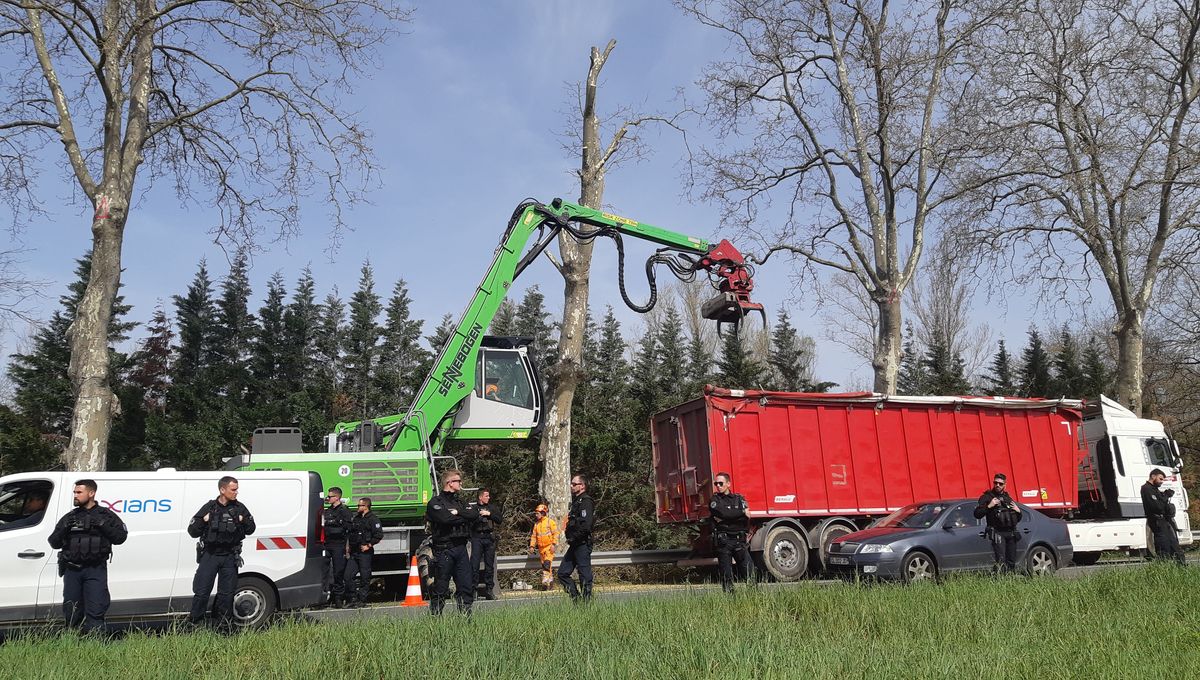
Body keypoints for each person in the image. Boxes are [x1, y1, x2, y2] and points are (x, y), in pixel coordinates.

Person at [47, 479, 128, 634]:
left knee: (96, 609)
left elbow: (120, 538)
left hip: (95, 570)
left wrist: (102, 524)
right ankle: (72, 645)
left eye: (79, 492)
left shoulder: (106, 515)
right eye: (74, 492)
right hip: (72, 570)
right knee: (72, 611)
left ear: (91, 493)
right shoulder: (70, 517)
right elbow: (53, 542)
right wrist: (64, 528)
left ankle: (95, 644)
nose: (75, 495)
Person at [187, 475, 255, 629]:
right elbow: (192, 531)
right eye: (233, 489)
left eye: (237, 489)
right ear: (222, 490)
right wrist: (204, 520)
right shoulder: (210, 507)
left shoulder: (239, 508)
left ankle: (224, 627)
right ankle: (195, 625)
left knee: (227, 594)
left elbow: (251, 529)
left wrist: (243, 520)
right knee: (202, 591)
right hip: (210, 555)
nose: (236, 492)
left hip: (230, 556)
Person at [425, 469, 481, 615]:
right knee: (441, 587)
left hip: (461, 549)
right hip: (444, 550)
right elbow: (445, 519)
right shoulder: (435, 502)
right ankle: (436, 617)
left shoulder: (460, 502)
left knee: (465, 586)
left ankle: (465, 617)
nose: (461, 483)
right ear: (449, 483)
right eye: (458, 481)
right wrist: (463, 516)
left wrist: (459, 513)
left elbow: (474, 514)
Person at [709, 472, 751, 593]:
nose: (718, 486)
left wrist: (729, 517)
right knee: (726, 574)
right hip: (724, 541)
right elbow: (722, 513)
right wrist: (741, 513)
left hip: (739, 541)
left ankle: (754, 597)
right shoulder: (714, 500)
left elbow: (747, 517)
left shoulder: (739, 498)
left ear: (728, 484)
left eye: (721, 483)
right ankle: (730, 600)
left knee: (749, 572)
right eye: (716, 483)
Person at [973, 472, 1022, 574]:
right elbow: (977, 514)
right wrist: (989, 506)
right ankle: (1000, 581)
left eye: (1000, 484)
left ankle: (1011, 581)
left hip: (1011, 532)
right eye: (995, 483)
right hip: (997, 532)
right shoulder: (987, 497)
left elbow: (1016, 518)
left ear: (1005, 485)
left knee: (1011, 560)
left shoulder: (1007, 497)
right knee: (1000, 560)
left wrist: (1019, 512)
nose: (997, 485)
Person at [559, 473, 595, 602]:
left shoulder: (586, 502)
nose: (571, 486)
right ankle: (576, 599)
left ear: (582, 486)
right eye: (571, 483)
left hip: (582, 544)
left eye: (574, 484)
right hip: (574, 544)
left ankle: (587, 603)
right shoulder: (576, 502)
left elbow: (586, 525)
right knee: (562, 573)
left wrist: (574, 537)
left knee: (584, 575)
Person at [343, 497, 383, 608]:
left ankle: (362, 599)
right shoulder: (357, 519)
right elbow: (351, 533)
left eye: (359, 505)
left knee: (365, 577)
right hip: (355, 552)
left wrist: (369, 545)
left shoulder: (373, 519)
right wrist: (348, 547)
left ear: (366, 506)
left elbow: (379, 535)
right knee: (347, 576)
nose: (357, 507)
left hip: (365, 553)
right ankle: (352, 598)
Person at [1141, 468, 1186, 565]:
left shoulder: (1154, 489)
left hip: (1164, 520)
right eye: (1160, 479)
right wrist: (1165, 496)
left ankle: (1182, 565)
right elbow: (1157, 507)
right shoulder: (1146, 489)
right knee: (1163, 545)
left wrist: (1165, 495)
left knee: (1174, 544)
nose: (1162, 482)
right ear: (1153, 476)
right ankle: (1163, 566)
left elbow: (1161, 502)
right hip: (1157, 520)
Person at [321, 487, 355, 607]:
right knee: (323, 571)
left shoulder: (344, 511)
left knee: (338, 572)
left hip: (339, 545)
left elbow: (349, 528)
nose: (328, 498)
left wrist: (337, 523)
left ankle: (338, 598)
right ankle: (324, 597)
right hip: (327, 544)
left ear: (337, 497)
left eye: (330, 497)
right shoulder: (328, 511)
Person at [469, 488, 503, 600]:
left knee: (489, 565)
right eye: (486, 496)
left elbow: (499, 519)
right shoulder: (474, 508)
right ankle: (473, 590)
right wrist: (478, 516)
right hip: (477, 538)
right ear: (480, 497)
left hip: (489, 538)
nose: (488, 498)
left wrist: (489, 514)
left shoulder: (492, 508)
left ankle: (489, 590)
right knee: (474, 565)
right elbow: (468, 522)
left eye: (488, 496)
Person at [529, 502, 558, 590]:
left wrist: (553, 544)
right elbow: (534, 536)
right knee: (546, 566)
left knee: (547, 564)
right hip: (541, 549)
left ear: (543, 513)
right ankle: (551, 582)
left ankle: (545, 582)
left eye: (537, 513)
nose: (536, 515)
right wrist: (532, 546)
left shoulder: (550, 522)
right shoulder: (536, 524)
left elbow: (556, 534)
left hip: (549, 547)